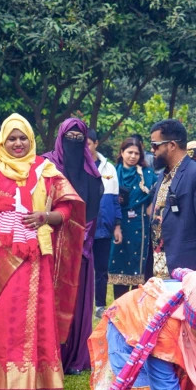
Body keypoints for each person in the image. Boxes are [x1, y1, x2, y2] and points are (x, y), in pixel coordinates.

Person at [0, 113, 86, 390]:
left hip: (38, 253)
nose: (18, 143)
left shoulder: (45, 169)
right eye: (11, 138)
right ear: (2, 141)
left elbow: (68, 207)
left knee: (39, 311)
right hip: (4, 255)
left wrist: (46, 216)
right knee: (8, 311)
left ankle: (42, 380)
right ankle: (10, 380)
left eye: (23, 138)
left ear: (31, 140)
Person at [41, 118, 103, 375]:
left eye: (79, 139)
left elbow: (92, 212)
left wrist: (80, 243)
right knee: (47, 299)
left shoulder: (92, 174)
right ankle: (46, 354)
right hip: (48, 242)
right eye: (69, 138)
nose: (74, 143)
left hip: (80, 247)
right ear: (60, 138)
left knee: (76, 300)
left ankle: (73, 356)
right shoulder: (46, 166)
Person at [146, 120, 196, 274]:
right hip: (160, 266)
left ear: (172, 145)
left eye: (155, 145)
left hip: (188, 266)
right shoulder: (163, 176)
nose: (152, 150)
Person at [108, 137, 158, 296]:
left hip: (140, 227)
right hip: (118, 225)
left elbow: (159, 191)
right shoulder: (112, 173)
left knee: (140, 269)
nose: (133, 156)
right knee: (118, 262)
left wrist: (152, 204)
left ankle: (137, 305)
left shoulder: (147, 174)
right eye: (129, 152)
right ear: (122, 152)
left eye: (136, 153)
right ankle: (120, 304)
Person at [87, 129, 120, 310]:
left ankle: (100, 305)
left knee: (101, 269)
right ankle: (82, 304)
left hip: (103, 227)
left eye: (88, 144)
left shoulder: (109, 168)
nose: (85, 148)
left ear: (96, 143)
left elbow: (115, 200)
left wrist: (117, 225)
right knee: (83, 269)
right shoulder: (77, 166)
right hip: (83, 227)